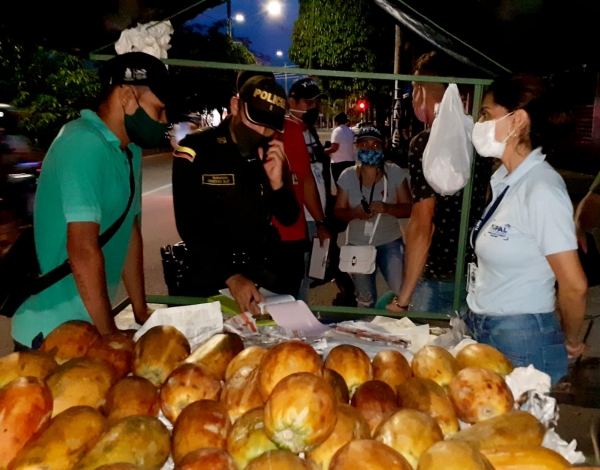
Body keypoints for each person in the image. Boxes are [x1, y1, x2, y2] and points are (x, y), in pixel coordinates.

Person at [12, 52, 167, 349]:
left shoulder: (128, 151)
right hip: (53, 332)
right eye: (159, 110)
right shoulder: (81, 143)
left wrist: (140, 309)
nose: (164, 121)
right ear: (126, 96)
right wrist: (109, 335)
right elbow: (82, 249)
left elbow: (129, 231)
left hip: (91, 323)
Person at [465, 74, 586, 384]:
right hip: (488, 328)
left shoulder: (542, 188)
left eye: (487, 114)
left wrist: (571, 341)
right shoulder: (504, 181)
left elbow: (574, 284)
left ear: (516, 120)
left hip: (523, 340)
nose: (479, 124)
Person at [172, 76, 299, 315]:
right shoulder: (195, 150)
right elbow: (189, 226)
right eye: (256, 122)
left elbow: (289, 217)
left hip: (261, 275)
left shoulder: (271, 152)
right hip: (211, 274)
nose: (262, 132)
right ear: (235, 106)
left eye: (269, 126)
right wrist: (231, 276)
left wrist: (278, 184)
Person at [387, 51, 493, 314]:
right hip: (474, 273)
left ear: (422, 90)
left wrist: (403, 299)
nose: (413, 98)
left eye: (413, 88)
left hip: (436, 279)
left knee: (428, 352)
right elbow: (487, 195)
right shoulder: (477, 137)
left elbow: (423, 225)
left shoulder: (425, 143)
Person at [235, 71, 331, 298]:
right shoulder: (231, 139)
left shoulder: (293, 130)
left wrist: (320, 222)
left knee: (294, 302)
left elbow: (306, 180)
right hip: (248, 243)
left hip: (291, 239)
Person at [289, 78, 355, 305]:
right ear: (292, 101)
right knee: (299, 277)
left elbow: (318, 173)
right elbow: (303, 180)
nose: (313, 108)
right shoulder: (287, 131)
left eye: (316, 103)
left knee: (313, 271)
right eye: (308, 103)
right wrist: (319, 221)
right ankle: (294, 329)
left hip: (316, 214)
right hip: (302, 218)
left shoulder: (309, 132)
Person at [334, 127, 411, 307]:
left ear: (383, 147)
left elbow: (408, 208)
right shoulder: (347, 176)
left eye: (375, 144)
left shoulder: (394, 173)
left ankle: (402, 329)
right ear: (356, 147)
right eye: (364, 144)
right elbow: (338, 211)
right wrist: (355, 213)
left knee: (402, 292)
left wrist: (387, 208)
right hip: (358, 245)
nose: (370, 149)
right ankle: (366, 330)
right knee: (365, 298)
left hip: (390, 243)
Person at [324, 112, 356, 183]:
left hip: (338, 163)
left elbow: (335, 148)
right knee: (348, 185)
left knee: (340, 185)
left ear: (336, 122)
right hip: (350, 162)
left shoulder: (336, 131)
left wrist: (325, 151)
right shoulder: (351, 132)